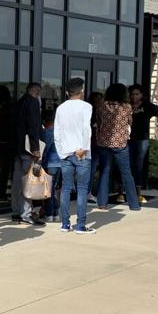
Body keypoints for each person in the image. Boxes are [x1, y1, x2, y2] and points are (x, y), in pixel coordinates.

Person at [54, 78, 96, 234]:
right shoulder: (86, 106)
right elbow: (86, 128)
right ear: (82, 90)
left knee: (65, 188)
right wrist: (84, 148)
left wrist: (61, 152)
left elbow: (56, 132)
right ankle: (80, 225)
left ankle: (65, 223)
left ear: (66, 92)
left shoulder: (61, 108)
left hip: (66, 153)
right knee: (82, 189)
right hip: (82, 153)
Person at [94, 83, 140, 211]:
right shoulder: (126, 107)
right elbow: (130, 122)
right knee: (126, 173)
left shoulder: (102, 106)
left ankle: (102, 203)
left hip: (103, 143)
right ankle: (134, 204)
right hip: (120, 143)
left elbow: (98, 122)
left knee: (104, 171)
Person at [11, 82, 46, 226]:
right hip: (28, 149)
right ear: (36, 91)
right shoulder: (32, 103)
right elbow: (33, 127)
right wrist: (36, 149)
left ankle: (16, 211)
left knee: (17, 181)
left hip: (18, 147)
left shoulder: (19, 103)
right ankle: (26, 213)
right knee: (28, 181)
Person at [129, 84, 158, 198]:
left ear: (141, 95)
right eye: (132, 94)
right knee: (127, 164)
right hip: (127, 138)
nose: (134, 96)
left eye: (137, 94)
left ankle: (138, 192)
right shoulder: (127, 106)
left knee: (138, 165)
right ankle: (122, 191)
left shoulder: (147, 106)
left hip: (142, 138)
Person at [40, 108, 62, 221]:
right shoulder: (60, 131)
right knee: (54, 189)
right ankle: (56, 213)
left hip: (50, 163)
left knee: (48, 190)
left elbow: (45, 149)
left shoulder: (47, 132)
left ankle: (49, 213)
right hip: (59, 163)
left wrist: (40, 162)